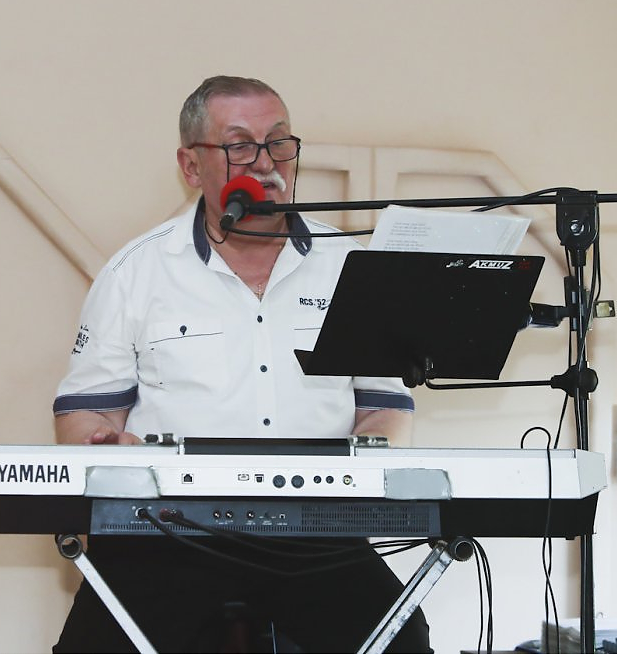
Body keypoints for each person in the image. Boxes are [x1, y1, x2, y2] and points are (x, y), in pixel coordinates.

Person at [51, 75, 431, 653]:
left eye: (278, 142)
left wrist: (359, 472)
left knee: (401, 641)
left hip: (316, 534)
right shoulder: (135, 272)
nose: (266, 163)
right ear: (190, 166)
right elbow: (84, 413)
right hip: (167, 532)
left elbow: (386, 407)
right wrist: (104, 447)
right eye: (239, 146)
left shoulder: (349, 264)